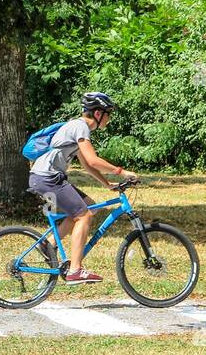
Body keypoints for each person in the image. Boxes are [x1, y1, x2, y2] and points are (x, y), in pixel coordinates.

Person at [28, 92, 137, 282]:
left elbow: (87, 164)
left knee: (89, 205)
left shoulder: (76, 127)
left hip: (47, 177)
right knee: (83, 215)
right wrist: (121, 172)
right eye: (108, 113)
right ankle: (75, 270)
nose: (109, 119)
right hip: (48, 178)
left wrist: (107, 184)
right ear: (97, 113)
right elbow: (94, 160)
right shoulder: (80, 127)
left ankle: (48, 244)